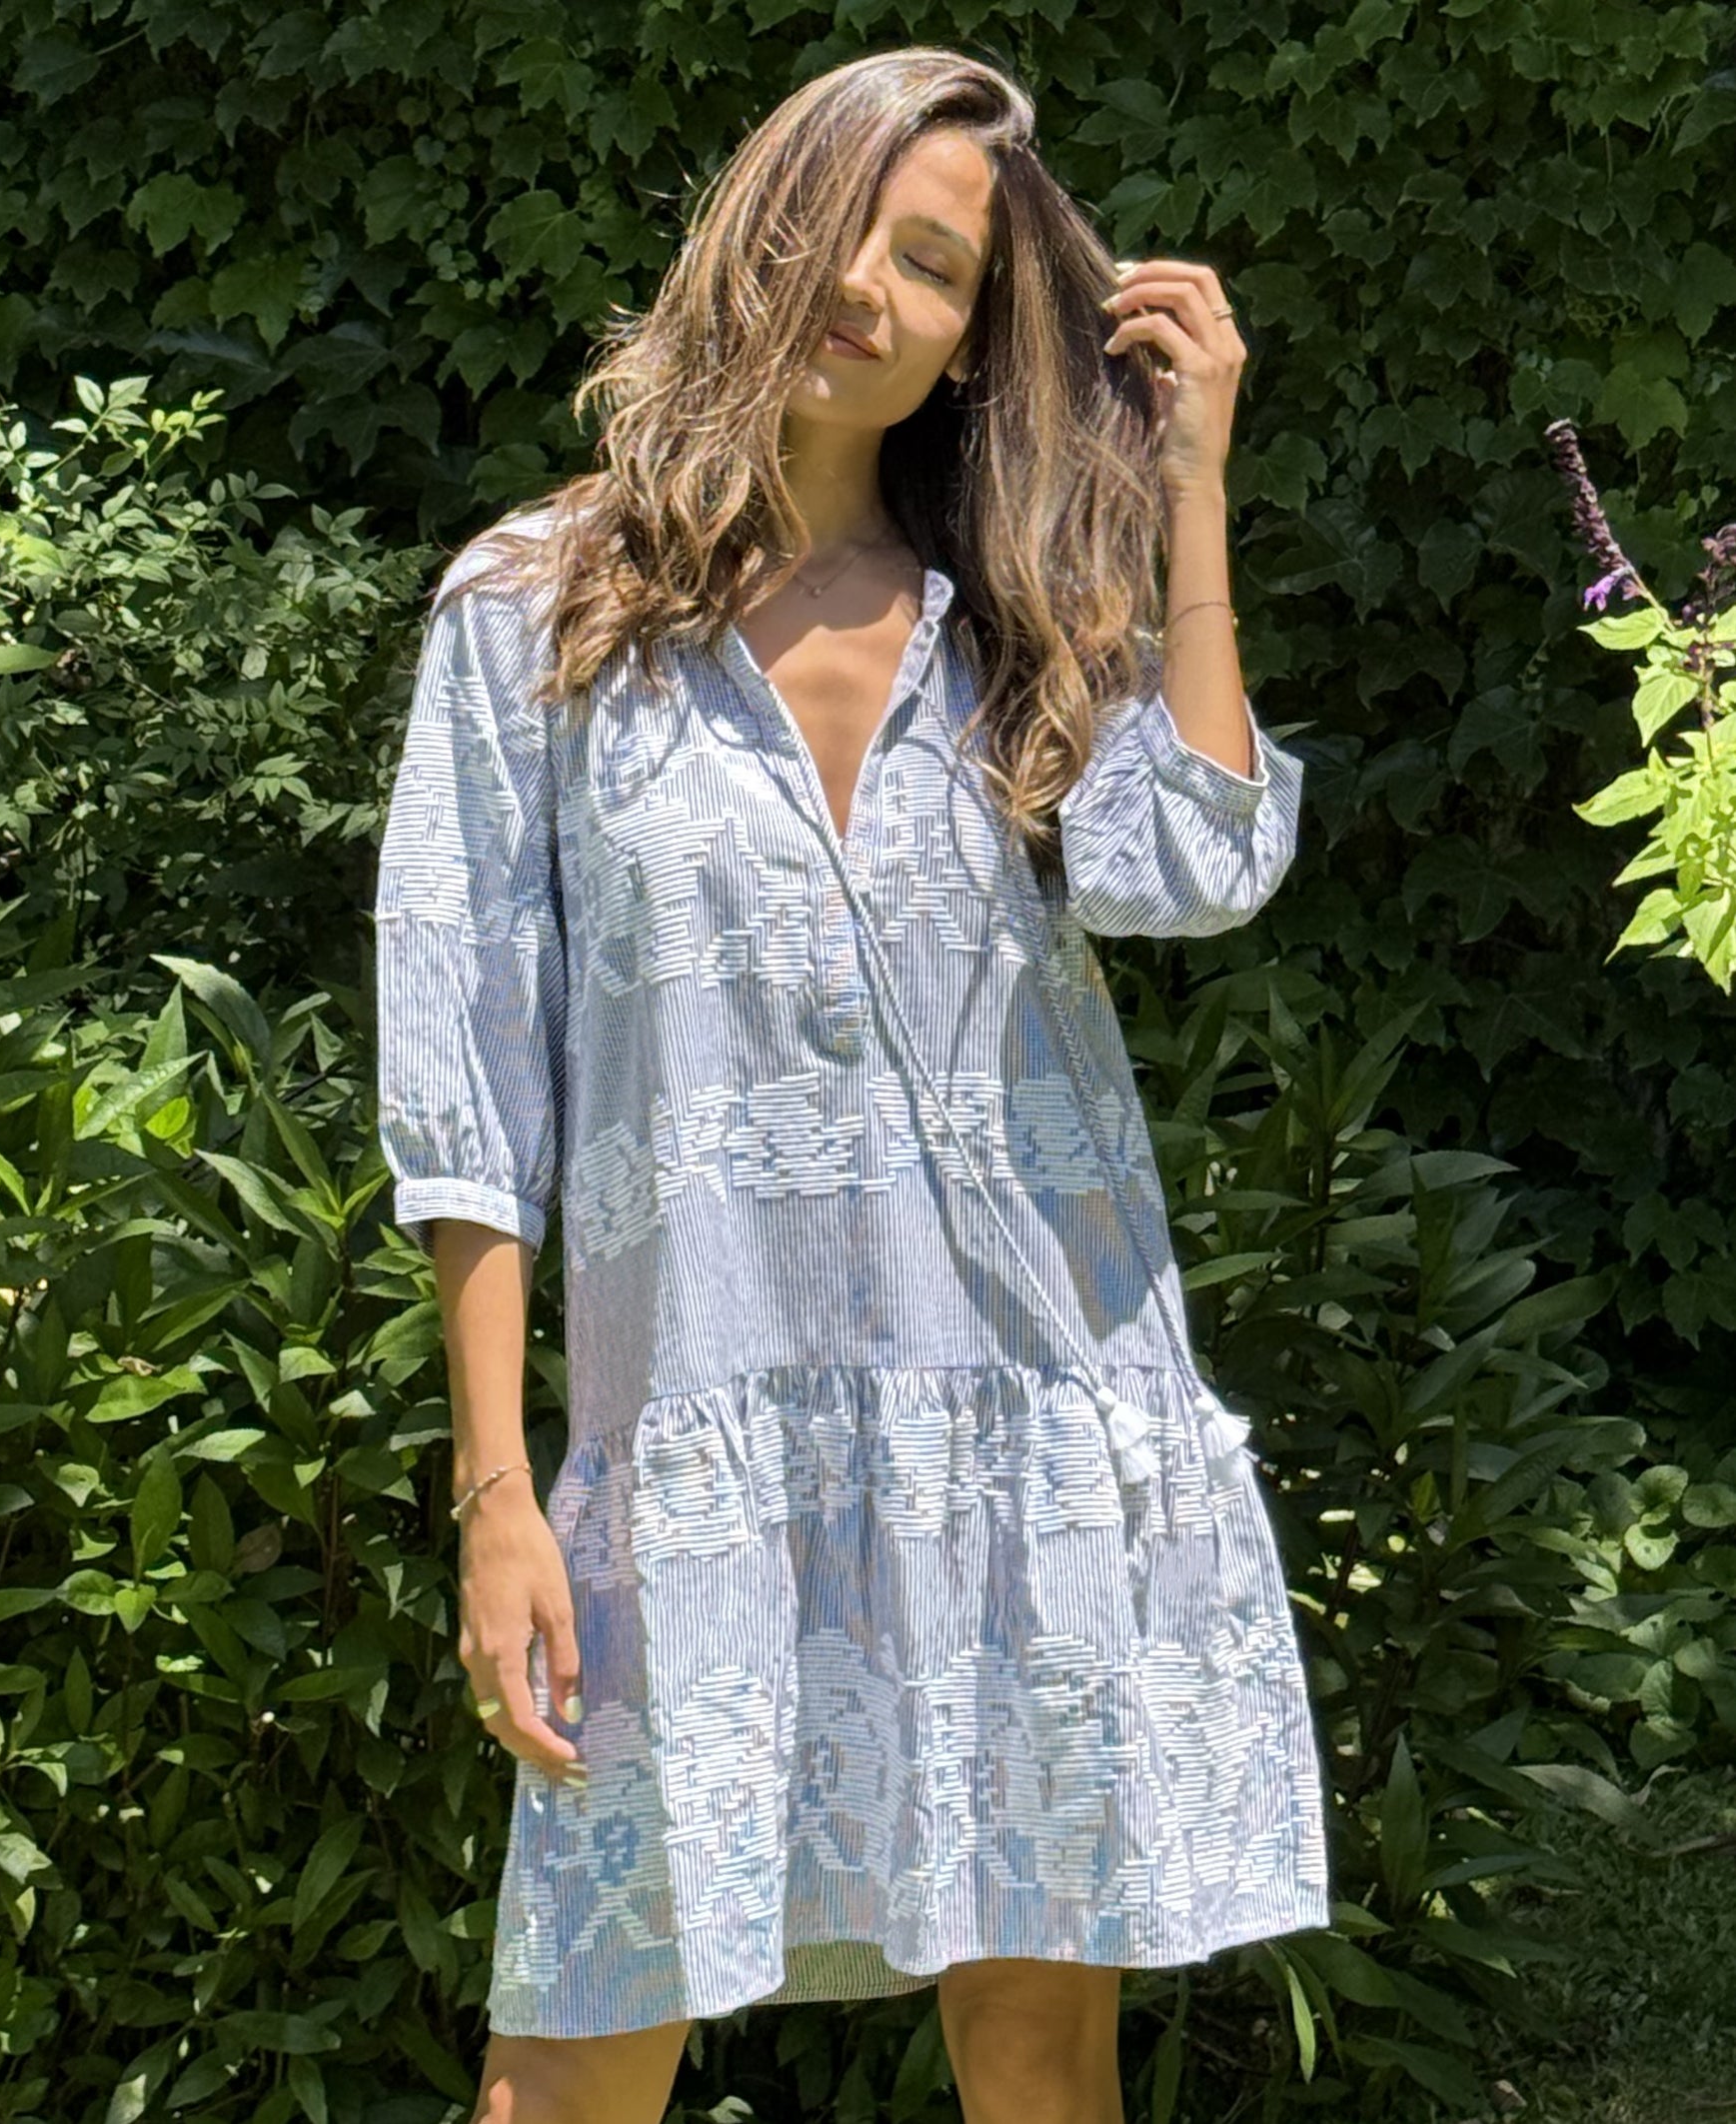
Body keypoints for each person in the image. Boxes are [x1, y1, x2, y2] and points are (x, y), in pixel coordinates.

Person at [372, 44, 1328, 2124]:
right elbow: (463, 1088)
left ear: (968, 337)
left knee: (1034, 2040)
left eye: (931, 268)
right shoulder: (530, 616)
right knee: (569, 2050)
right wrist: (498, 1493)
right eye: (840, 227)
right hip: (690, 1429)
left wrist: (1187, 493)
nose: (866, 291)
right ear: (753, 220)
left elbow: (1192, 867)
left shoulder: (1011, 627)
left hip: (1031, 1420)